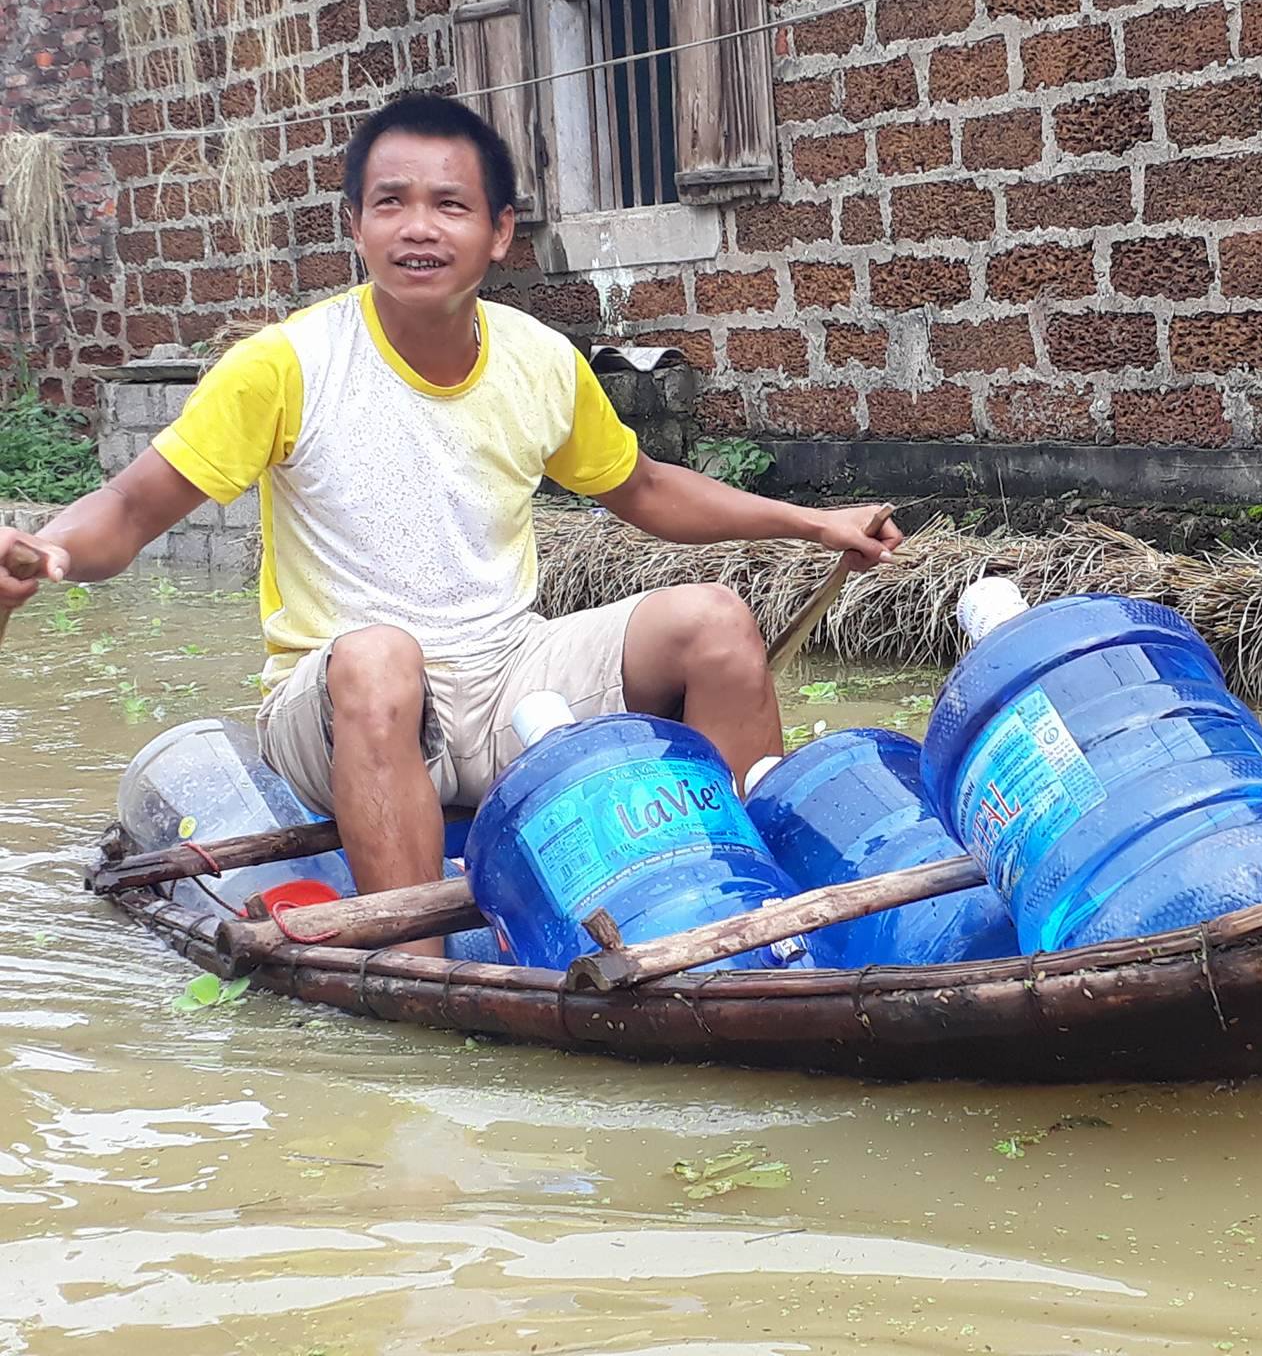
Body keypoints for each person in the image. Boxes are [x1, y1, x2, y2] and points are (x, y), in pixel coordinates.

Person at [0, 92, 903, 950]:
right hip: (342, 700)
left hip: (508, 671)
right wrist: (47, 553)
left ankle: (756, 917)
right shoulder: (283, 365)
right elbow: (128, 507)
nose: (418, 227)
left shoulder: (542, 360)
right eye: (389, 203)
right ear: (354, 225)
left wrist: (810, 523)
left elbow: (647, 489)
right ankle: (416, 962)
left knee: (714, 622)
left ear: (499, 232)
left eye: (450, 204)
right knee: (379, 656)